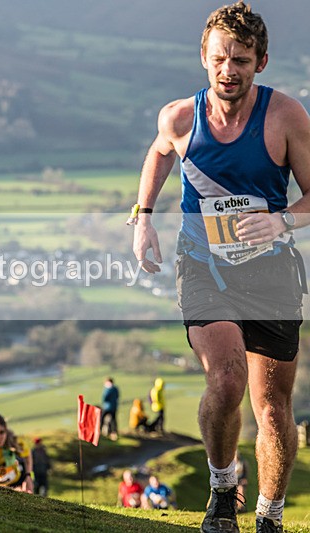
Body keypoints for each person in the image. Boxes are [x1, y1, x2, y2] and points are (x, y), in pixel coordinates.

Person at [130, 3, 310, 531]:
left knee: (272, 405)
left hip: (271, 272)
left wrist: (281, 222)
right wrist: (143, 218)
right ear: (203, 59)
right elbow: (160, 152)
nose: (228, 70)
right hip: (203, 266)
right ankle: (221, 492)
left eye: (242, 60)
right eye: (219, 59)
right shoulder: (180, 117)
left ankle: (270, 515)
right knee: (226, 380)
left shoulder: (285, 118)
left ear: (262, 62)